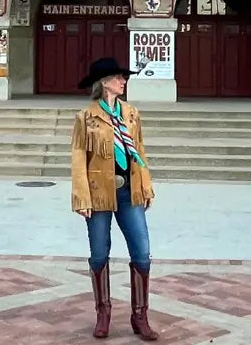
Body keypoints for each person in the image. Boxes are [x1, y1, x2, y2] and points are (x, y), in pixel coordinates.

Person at [71, 57, 158, 340]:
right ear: (104, 82)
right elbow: (78, 159)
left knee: (142, 253)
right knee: (99, 254)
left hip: (128, 190)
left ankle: (140, 315)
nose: (124, 81)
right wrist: (81, 196)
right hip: (98, 193)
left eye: (124, 77)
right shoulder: (86, 117)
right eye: (119, 77)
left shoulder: (131, 114)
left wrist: (146, 186)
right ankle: (103, 312)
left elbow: (140, 152)